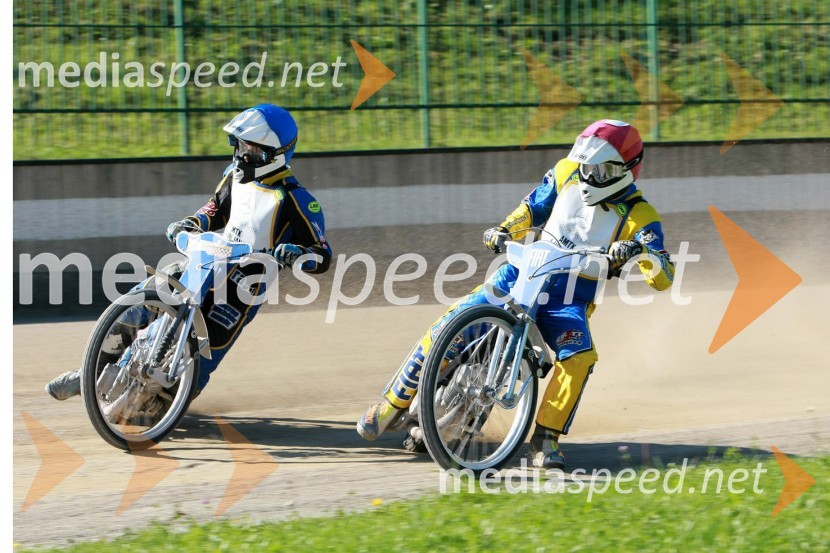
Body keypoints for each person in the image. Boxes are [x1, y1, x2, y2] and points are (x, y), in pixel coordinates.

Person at [357, 119, 674, 468]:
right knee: (450, 324)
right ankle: (391, 406)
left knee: (579, 357)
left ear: (627, 170)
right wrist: (505, 228)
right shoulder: (566, 171)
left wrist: (638, 253)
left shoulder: (640, 214)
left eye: (601, 169)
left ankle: (545, 439)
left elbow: (663, 276)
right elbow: (533, 207)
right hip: (520, 272)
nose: (590, 175)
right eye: (586, 165)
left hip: (568, 297)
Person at [46, 103, 332, 400]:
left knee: (205, 352)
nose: (241, 155)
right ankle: (89, 374)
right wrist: (188, 224)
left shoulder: (296, 199)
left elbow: (321, 255)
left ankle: (166, 402)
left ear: (275, 154)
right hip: (207, 261)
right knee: (137, 306)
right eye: (240, 146)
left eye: (251, 150)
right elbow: (212, 212)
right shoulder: (233, 176)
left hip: (240, 290)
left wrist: (295, 254)